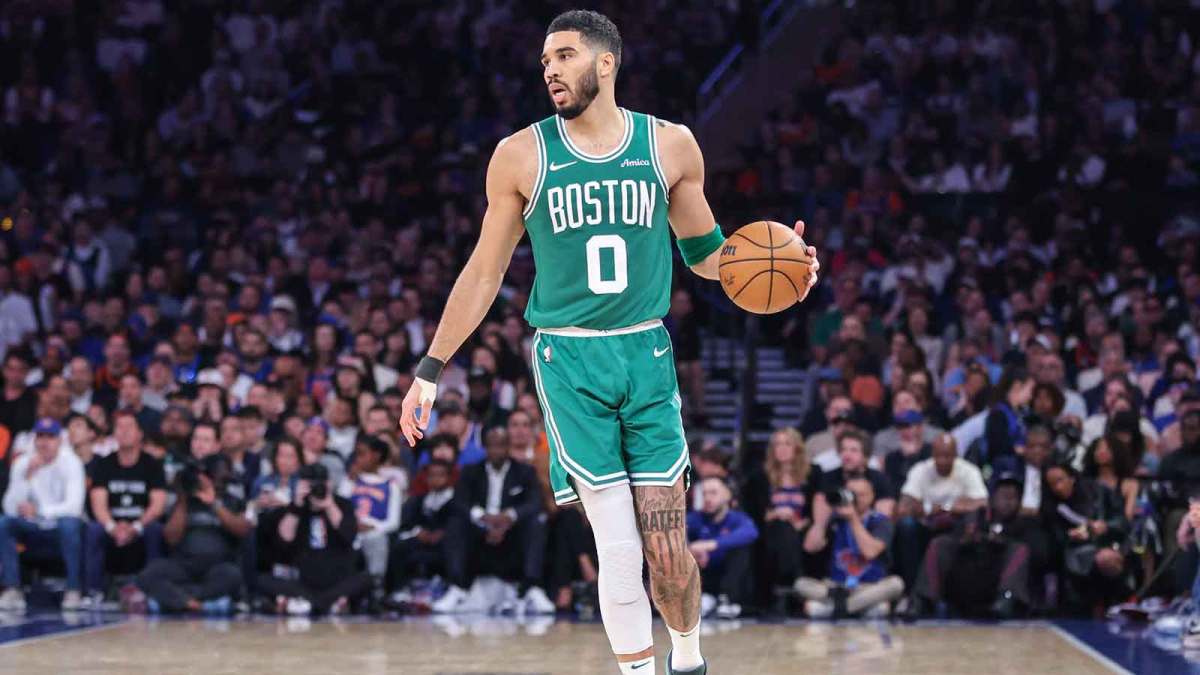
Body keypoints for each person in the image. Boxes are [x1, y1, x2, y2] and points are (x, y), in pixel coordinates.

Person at [396, 9, 821, 674]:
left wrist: (785, 263)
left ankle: (688, 658)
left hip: (646, 354)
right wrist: (430, 367)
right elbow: (484, 272)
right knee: (620, 546)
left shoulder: (670, 145)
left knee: (668, 546)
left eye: (564, 57)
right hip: (568, 358)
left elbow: (708, 255)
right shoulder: (521, 155)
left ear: (604, 63)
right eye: (544, 63)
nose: (551, 72)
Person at [434, 427, 552, 614]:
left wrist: (509, 516)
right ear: (485, 447)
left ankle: (532, 587)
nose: (497, 451)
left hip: (512, 531)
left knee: (536, 522)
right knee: (456, 522)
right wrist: (481, 516)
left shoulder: (525, 472)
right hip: (479, 529)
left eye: (501, 446)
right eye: (492, 446)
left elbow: (533, 502)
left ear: (508, 447)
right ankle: (457, 588)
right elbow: (460, 501)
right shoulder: (471, 471)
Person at [136, 454, 251, 614]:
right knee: (147, 575)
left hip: (217, 567)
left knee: (233, 575)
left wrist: (214, 503)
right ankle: (201, 603)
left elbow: (242, 530)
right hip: (184, 566)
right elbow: (171, 538)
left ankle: (178, 599)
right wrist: (183, 498)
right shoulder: (182, 503)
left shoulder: (231, 501)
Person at [911, 472, 1036, 618]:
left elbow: (1036, 553)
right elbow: (956, 538)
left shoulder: (1025, 523)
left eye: (1012, 497)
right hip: (967, 577)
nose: (1007, 502)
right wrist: (966, 539)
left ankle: (1006, 601)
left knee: (1020, 549)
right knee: (940, 543)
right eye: (1003, 496)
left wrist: (1002, 542)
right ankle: (922, 600)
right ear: (992, 498)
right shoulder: (976, 516)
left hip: (997, 582)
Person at [256, 463, 371, 616]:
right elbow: (283, 541)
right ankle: (326, 603)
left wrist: (329, 505)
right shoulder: (294, 508)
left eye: (319, 484)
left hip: (337, 577)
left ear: (329, 484)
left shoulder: (343, 505)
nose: (314, 489)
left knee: (366, 579)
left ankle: (311, 603)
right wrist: (296, 506)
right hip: (302, 580)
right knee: (262, 580)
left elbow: (349, 535)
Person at [0, 418, 87, 610]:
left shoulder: (71, 462)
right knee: (4, 523)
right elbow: (9, 506)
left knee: (70, 524)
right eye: (40, 436)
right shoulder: (23, 462)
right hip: (34, 527)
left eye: (50, 437)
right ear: (34, 439)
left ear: (59, 440)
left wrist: (40, 511)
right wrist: (27, 475)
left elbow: (74, 507)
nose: (44, 442)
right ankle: (12, 589)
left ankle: (73, 589)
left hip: (60, 526)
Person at [85, 411, 167, 604]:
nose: (124, 431)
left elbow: (157, 506)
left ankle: (151, 590)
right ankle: (93, 591)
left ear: (140, 433)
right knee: (93, 530)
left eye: (129, 426)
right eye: (119, 427)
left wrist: (135, 527)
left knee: (155, 529)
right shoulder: (104, 464)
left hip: (141, 525)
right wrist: (113, 528)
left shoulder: (152, 465)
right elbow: (98, 504)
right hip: (112, 526)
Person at [796, 477, 903, 618]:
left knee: (896, 584)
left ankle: (834, 609)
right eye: (852, 494)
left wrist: (853, 519)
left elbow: (870, 552)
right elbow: (810, 547)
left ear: (871, 497)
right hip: (835, 587)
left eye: (861, 495)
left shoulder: (880, 521)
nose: (855, 499)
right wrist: (820, 521)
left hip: (869, 586)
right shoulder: (835, 519)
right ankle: (855, 607)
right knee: (800, 584)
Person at [894, 434, 988, 591]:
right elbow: (903, 507)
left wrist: (948, 507)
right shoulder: (921, 470)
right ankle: (912, 590)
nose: (943, 461)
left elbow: (982, 503)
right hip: (926, 526)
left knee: (973, 524)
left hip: (955, 526)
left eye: (947, 456)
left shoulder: (968, 471)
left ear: (956, 455)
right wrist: (930, 509)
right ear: (933, 454)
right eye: (939, 456)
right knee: (906, 525)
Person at [1041, 463, 1129, 615]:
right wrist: (1071, 536)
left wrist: (1106, 526)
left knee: (1108, 558)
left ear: (1072, 478)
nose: (1058, 487)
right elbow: (1054, 539)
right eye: (1052, 484)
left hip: (1107, 543)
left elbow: (1122, 522)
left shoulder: (1099, 492)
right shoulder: (1052, 507)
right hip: (1075, 552)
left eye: (1060, 480)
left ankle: (1116, 603)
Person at [389, 459, 465, 598]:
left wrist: (444, 533)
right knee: (398, 545)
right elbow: (406, 524)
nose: (435, 479)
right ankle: (399, 590)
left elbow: (459, 523)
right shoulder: (418, 500)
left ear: (449, 477)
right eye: (431, 475)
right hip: (421, 541)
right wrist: (418, 532)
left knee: (454, 545)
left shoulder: (458, 500)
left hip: (446, 543)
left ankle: (455, 590)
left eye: (440, 475)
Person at [756, 428, 814, 605]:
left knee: (792, 533)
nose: (781, 448)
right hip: (772, 529)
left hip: (804, 529)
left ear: (797, 448)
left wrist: (801, 522)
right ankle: (794, 584)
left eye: (787, 444)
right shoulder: (760, 476)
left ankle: (786, 588)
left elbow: (816, 510)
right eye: (777, 444)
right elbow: (756, 513)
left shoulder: (813, 474)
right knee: (783, 529)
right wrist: (778, 514)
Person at [687, 477, 758, 619]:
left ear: (727, 495)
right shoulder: (695, 518)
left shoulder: (737, 518)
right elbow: (678, 534)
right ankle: (702, 597)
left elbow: (751, 532)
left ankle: (727, 599)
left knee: (741, 550)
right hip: (705, 575)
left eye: (713, 493)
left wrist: (710, 545)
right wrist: (690, 549)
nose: (707, 498)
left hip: (731, 578)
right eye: (704, 494)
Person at [344, 435, 401, 584]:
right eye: (356, 454)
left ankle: (376, 586)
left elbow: (394, 522)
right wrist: (349, 480)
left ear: (376, 456)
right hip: (350, 530)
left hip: (374, 533)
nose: (357, 458)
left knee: (376, 539)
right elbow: (340, 506)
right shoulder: (351, 481)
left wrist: (372, 527)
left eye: (362, 454)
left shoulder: (391, 486)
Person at [815, 430, 895, 518]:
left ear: (866, 456)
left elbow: (885, 515)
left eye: (854, 450)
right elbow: (820, 515)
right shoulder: (828, 477)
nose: (847, 455)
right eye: (843, 449)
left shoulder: (880, 480)